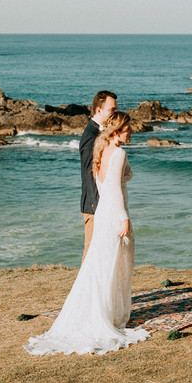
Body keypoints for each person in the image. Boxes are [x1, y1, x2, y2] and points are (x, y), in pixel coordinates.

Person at [25, 111, 149, 355]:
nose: (131, 131)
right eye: (128, 128)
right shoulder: (119, 153)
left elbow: (104, 185)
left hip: (103, 212)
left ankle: (106, 312)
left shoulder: (101, 149)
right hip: (114, 213)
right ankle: (108, 317)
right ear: (117, 131)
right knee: (114, 265)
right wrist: (124, 218)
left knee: (101, 264)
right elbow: (113, 187)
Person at [79, 90, 117, 262]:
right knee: (91, 252)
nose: (114, 115)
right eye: (112, 110)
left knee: (101, 252)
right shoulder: (90, 136)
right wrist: (98, 205)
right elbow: (89, 174)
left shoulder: (99, 133)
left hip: (99, 203)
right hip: (93, 205)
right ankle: (84, 289)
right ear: (98, 111)